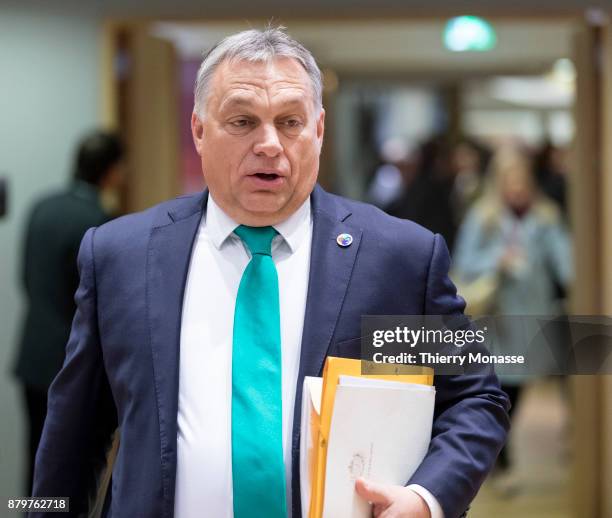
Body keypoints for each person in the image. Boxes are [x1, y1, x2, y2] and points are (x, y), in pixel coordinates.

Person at [31, 28, 509, 518]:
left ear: (318, 130)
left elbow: (474, 399)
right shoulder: (121, 256)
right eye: (242, 121)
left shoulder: (396, 260)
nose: (269, 144)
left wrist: (425, 498)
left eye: (290, 122)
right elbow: (72, 437)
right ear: (198, 130)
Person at [14, 130, 124, 495]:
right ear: (110, 171)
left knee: (36, 458)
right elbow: (96, 307)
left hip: (31, 354)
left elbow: (25, 278)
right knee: (65, 466)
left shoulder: (41, 205)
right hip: (69, 363)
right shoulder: (98, 223)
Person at [452, 145, 572, 478]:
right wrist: (496, 260)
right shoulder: (483, 217)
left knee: (519, 387)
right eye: (510, 182)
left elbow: (567, 265)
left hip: (532, 317)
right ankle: (499, 456)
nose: (517, 189)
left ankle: (497, 449)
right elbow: (463, 263)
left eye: (522, 181)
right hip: (496, 318)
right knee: (498, 387)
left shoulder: (546, 217)